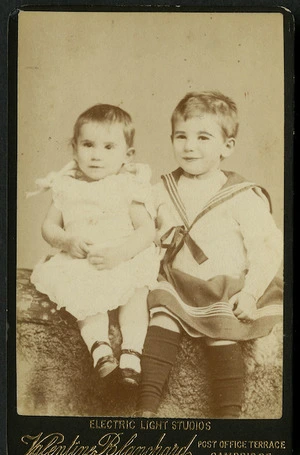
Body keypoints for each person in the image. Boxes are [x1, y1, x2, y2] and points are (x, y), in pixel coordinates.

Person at [136, 91, 283, 418]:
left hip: (222, 288)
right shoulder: (161, 189)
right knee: (161, 315)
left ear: (226, 147)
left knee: (222, 334)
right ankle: (145, 410)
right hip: (175, 281)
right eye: (181, 136)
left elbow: (267, 245)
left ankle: (228, 418)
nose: (190, 146)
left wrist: (250, 292)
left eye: (203, 137)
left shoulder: (242, 194)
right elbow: (139, 228)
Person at [29, 103, 160, 386]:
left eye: (108, 147)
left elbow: (147, 229)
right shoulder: (66, 187)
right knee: (82, 293)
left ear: (128, 155)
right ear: (74, 148)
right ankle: (100, 351)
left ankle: (131, 354)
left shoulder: (128, 185)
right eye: (88, 145)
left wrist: (121, 254)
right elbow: (48, 226)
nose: (96, 155)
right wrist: (66, 240)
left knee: (137, 294)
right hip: (83, 260)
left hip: (122, 257)